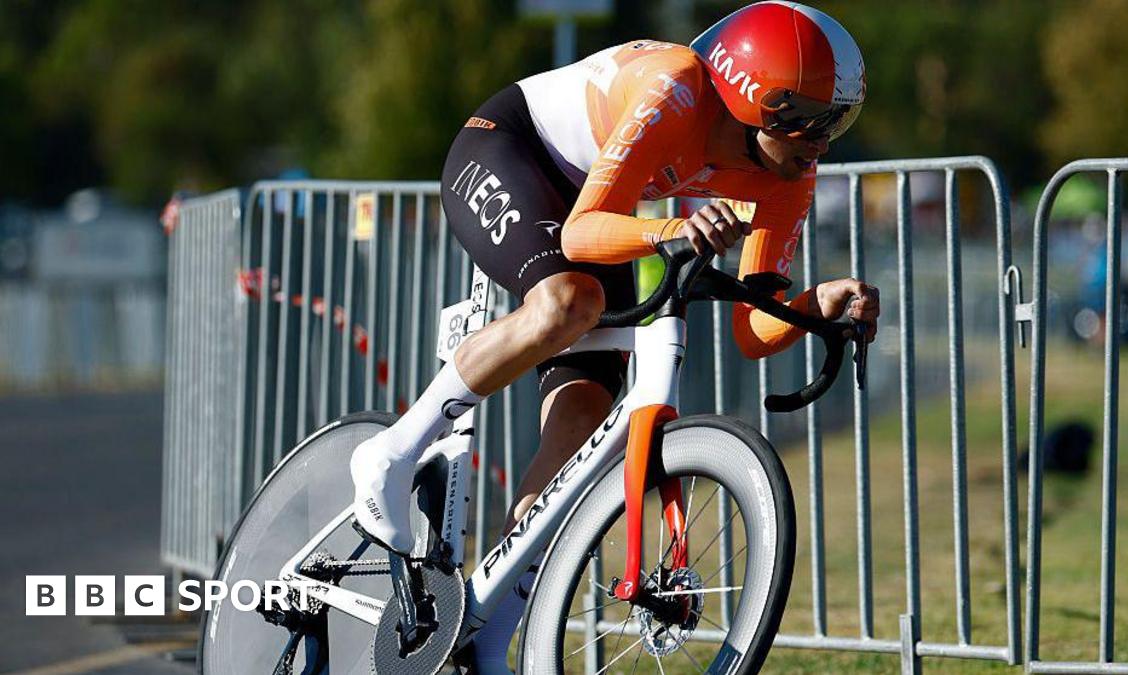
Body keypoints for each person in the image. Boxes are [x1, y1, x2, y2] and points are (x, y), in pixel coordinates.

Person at [350, 2, 880, 671]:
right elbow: (579, 234)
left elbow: (753, 327)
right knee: (571, 300)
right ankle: (392, 452)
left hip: (605, 206)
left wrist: (817, 302)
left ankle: (489, 631)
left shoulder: (788, 176)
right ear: (754, 99)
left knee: (578, 424)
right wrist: (672, 232)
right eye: (810, 119)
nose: (822, 141)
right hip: (511, 148)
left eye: (839, 119)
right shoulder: (678, 85)